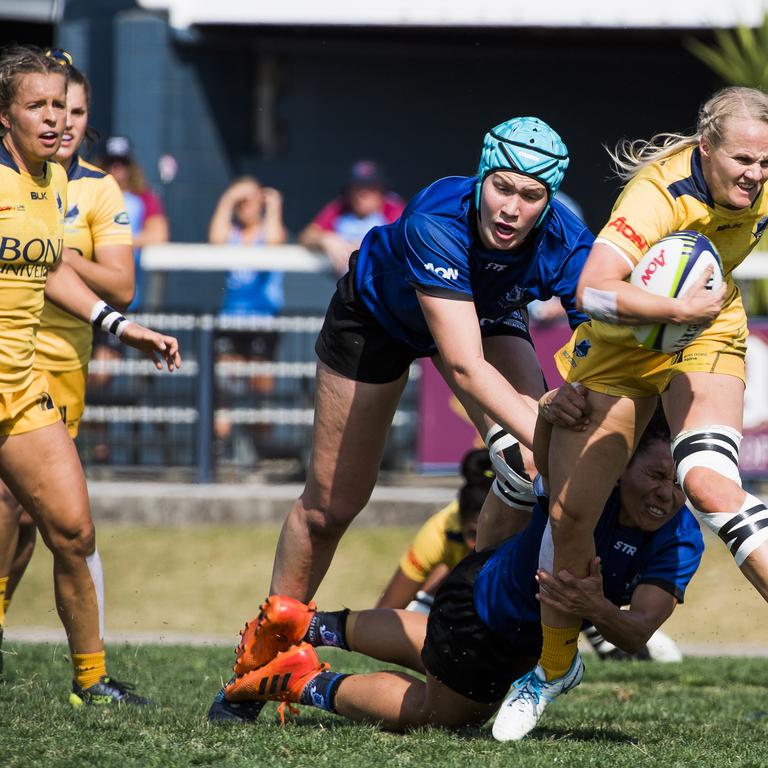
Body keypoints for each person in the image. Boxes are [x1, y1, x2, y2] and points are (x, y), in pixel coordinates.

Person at [210, 116, 595, 711]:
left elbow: (599, 344)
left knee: (527, 463)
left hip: (487, 316)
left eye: (530, 195)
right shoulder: (436, 218)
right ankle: (261, 659)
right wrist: (551, 441)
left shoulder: (568, 238)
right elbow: (465, 367)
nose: (512, 208)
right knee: (330, 506)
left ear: (548, 201)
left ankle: (481, 625)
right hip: (377, 321)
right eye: (502, 186)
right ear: (480, 177)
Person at [497, 85, 768, 740]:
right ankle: (554, 667)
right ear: (706, 148)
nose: (756, 177)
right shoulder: (655, 193)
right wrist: (675, 310)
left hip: (709, 330)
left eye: (766, 164)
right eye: (743, 162)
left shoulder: (763, 179)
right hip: (622, 347)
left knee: (707, 482)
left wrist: (691, 316)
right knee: (568, 520)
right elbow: (591, 288)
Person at [212, 407, 703, 731]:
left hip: (479, 593)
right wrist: (550, 411)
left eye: (678, 482)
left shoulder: (682, 537)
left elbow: (638, 633)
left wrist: (592, 606)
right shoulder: (588, 487)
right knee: (444, 713)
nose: (668, 494)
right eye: (656, 475)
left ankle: (300, 621)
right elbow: (547, 458)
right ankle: (299, 680)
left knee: (431, 644)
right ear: (620, 469)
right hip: (489, 621)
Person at [0, 44, 180, 704]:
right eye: (37, 106)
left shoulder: (56, 182)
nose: (55, 119)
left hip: (20, 387)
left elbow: (49, 271)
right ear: (3, 115)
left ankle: (91, 681)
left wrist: (121, 328)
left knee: (72, 530)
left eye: (63, 106)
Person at [208, 176, 286, 453]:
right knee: (225, 387)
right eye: (240, 202)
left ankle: (258, 450)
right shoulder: (232, 234)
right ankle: (221, 449)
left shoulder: (269, 230)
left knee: (260, 390)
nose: (245, 207)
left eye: (249, 201)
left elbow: (276, 242)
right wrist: (229, 198)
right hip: (231, 320)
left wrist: (273, 205)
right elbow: (215, 239)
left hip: (263, 321)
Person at [375, 448, 493, 612]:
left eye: (489, 534)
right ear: (460, 521)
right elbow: (385, 613)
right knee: (442, 575)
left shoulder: (529, 527)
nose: (478, 545)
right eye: (473, 534)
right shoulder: (438, 531)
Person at [299, 160, 405, 275]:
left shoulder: (392, 208)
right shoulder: (341, 207)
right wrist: (325, 239)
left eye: (370, 188)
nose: (362, 194)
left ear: (381, 190)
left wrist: (369, 243)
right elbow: (307, 235)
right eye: (357, 187)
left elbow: (406, 238)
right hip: (345, 283)